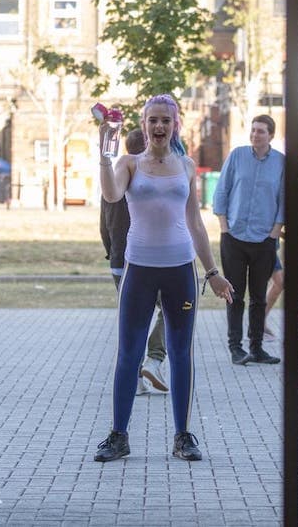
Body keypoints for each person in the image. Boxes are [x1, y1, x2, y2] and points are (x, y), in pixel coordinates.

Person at [94, 94, 234, 463]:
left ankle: (183, 436)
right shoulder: (129, 163)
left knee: (181, 353)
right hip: (138, 269)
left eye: (165, 121)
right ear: (144, 125)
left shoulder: (187, 166)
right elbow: (111, 194)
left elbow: (195, 224)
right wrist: (104, 155)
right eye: (152, 120)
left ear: (175, 126)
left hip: (179, 270)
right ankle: (118, 435)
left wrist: (213, 272)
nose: (159, 126)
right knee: (128, 354)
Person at [99, 129, 168, 395]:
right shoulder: (149, 176)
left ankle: (136, 379)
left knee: (134, 319)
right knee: (174, 309)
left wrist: (112, 253)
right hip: (151, 258)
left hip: (120, 259)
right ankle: (154, 357)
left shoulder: (114, 176)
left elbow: (103, 224)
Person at [212, 114, 284, 365]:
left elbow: (284, 200)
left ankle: (257, 348)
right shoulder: (237, 156)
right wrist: (224, 227)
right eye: (253, 130)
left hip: (264, 239)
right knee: (235, 294)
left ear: (271, 135)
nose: (255, 135)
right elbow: (222, 190)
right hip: (234, 237)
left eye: (261, 131)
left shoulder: (280, 163)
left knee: (258, 297)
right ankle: (235, 348)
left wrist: (275, 232)